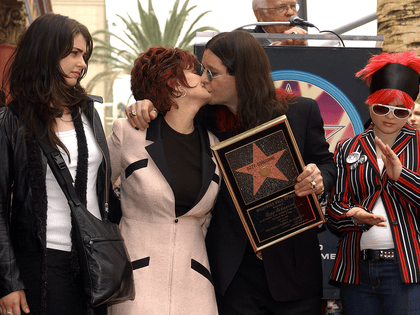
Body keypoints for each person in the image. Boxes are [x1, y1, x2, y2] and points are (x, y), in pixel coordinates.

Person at [126, 30, 336, 315]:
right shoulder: (203, 120)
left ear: (243, 75)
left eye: (212, 72)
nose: (204, 80)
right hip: (235, 272)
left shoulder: (301, 111)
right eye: (202, 70)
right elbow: (166, 114)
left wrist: (317, 176)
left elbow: (326, 164)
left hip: (294, 270)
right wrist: (145, 105)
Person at [0, 13, 117, 315]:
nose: (83, 64)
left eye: (85, 55)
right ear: (47, 52)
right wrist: (9, 282)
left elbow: (102, 187)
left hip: (93, 263)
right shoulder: (11, 121)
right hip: (42, 265)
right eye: (74, 53)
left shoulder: (88, 113)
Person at [107, 46, 221, 315]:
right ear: (174, 84)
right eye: (195, 70)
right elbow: (92, 190)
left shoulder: (214, 145)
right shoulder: (129, 133)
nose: (205, 77)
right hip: (136, 283)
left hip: (196, 285)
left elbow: (207, 220)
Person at [326, 51, 420, 315]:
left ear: (409, 112)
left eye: (400, 111)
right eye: (381, 108)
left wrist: (401, 176)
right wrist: (352, 216)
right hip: (356, 272)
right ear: (370, 105)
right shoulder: (347, 147)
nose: (390, 117)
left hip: (408, 271)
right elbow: (333, 208)